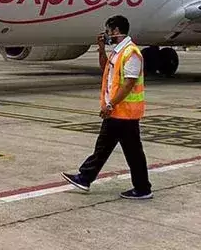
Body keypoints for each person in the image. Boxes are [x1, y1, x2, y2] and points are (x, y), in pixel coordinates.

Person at [61, 15, 153, 200]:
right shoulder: (118, 52)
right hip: (117, 112)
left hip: (124, 113)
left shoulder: (131, 53)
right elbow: (105, 68)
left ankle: (141, 188)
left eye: (108, 31)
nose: (106, 34)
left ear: (116, 31)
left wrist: (111, 104)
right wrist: (101, 49)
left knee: (124, 151)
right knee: (110, 148)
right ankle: (86, 178)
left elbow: (128, 84)